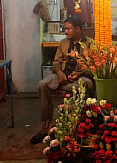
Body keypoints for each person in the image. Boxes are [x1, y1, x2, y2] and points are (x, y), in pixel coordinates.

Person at [30, 15, 94, 144]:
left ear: (77, 29)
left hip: (79, 78)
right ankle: (46, 125)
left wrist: (79, 73)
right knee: (42, 84)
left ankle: (76, 125)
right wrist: (59, 73)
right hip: (62, 76)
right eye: (65, 29)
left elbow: (93, 66)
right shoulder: (63, 43)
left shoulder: (90, 43)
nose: (65, 32)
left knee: (86, 85)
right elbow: (56, 63)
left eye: (68, 29)